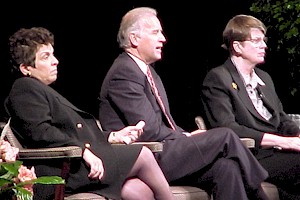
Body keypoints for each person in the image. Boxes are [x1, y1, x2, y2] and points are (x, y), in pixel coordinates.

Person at [98, 7, 269, 200]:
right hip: (148, 156)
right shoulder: (124, 73)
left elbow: (164, 123)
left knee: (226, 168)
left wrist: (184, 134)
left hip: (164, 148)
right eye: (155, 32)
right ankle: (259, 194)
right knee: (226, 136)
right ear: (134, 39)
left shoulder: (148, 72)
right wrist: (185, 137)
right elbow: (149, 129)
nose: (163, 38)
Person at [4, 27, 175, 200]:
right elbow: (42, 133)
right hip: (64, 167)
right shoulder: (24, 88)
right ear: (25, 68)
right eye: (45, 57)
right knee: (143, 154)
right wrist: (83, 151)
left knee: (135, 188)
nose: (55, 61)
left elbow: (73, 130)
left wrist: (113, 136)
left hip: (77, 162)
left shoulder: (40, 90)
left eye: (53, 54)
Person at [201, 14, 300, 199]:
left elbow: (281, 117)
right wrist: (283, 141)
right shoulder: (218, 78)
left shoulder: (264, 78)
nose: (264, 45)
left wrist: (297, 134)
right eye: (256, 41)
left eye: (264, 40)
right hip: (249, 156)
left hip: (276, 153)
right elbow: (227, 128)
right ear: (237, 46)